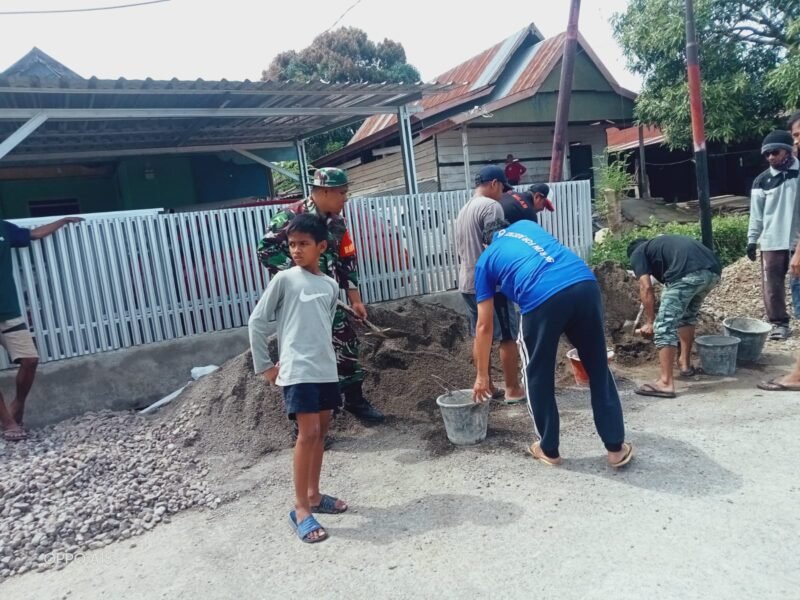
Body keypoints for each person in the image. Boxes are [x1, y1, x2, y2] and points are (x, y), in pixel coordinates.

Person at [471, 218, 632, 468]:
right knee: (597, 366)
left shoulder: (485, 259)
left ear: (485, 243)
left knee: (537, 373)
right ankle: (616, 449)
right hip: (583, 284)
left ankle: (549, 449)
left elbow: (484, 325)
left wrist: (482, 375)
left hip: (540, 299)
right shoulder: (527, 225)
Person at [257, 167, 384, 423]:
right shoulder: (290, 217)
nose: (345, 198)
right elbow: (265, 250)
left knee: (346, 341)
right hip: (299, 300)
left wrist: (355, 299)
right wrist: (301, 274)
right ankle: (303, 423)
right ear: (324, 191)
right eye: (341, 193)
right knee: (305, 349)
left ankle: (354, 400)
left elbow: (346, 259)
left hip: (326, 297)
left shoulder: (337, 222)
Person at [249, 214, 347, 544]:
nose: (296, 250)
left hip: (325, 370)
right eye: (292, 245)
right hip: (298, 371)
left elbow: (324, 325)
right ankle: (301, 509)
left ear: (321, 247)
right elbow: (257, 322)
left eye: (303, 244)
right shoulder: (285, 280)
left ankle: (315, 495)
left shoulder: (330, 285)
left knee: (321, 434)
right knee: (308, 434)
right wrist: (266, 367)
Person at [1, 216, 83, 441]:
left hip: (8, 310)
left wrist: (63, 221)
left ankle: (18, 404)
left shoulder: (3, 228)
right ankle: (8, 422)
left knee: (30, 360)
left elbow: (34, 234)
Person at [455, 165, 525, 403]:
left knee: (480, 335)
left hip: (467, 282)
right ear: (494, 183)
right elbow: (495, 247)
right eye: (503, 188)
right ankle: (513, 389)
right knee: (507, 335)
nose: (503, 194)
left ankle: (488, 386)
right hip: (491, 285)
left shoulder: (464, 210)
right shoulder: (491, 207)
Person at [628, 235, 721, 399]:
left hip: (687, 274)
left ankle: (665, 383)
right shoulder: (661, 246)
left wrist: (650, 322)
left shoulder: (638, 252)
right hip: (713, 272)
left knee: (664, 325)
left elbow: (646, 287)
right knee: (686, 316)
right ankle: (684, 365)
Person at [747, 129, 800, 340]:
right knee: (773, 285)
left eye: (775, 152)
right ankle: (779, 323)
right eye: (766, 154)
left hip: (797, 239)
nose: (770, 157)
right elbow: (756, 215)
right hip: (772, 240)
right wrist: (752, 240)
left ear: (788, 151)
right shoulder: (762, 181)